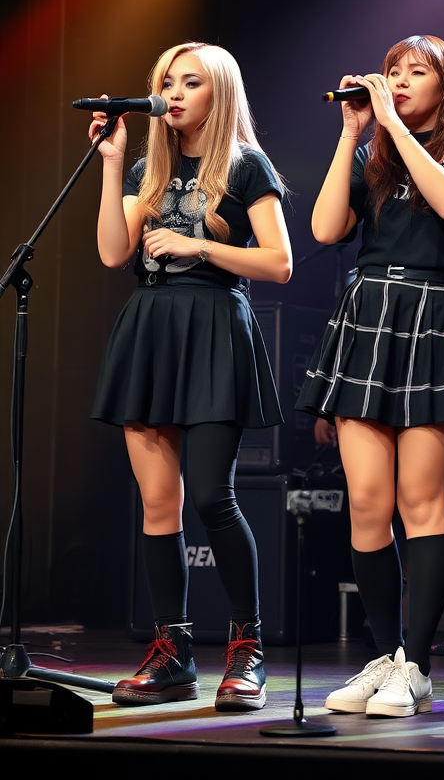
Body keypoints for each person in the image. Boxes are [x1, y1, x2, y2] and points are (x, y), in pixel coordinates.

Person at [294, 35, 444, 718]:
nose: (401, 81)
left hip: (434, 313)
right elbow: (326, 228)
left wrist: (391, 129)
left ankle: (416, 664)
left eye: (417, 73)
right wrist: (355, 133)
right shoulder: (370, 152)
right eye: (393, 71)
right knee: (367, 504)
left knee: (421, 504)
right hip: (370, 311)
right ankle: (383, 657)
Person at [90, 41, 293, 711]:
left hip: (213, 331)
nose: (174, 93)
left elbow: (279, 263)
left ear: (219, 93)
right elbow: (114, 253)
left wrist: (198, 244)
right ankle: (171, 652)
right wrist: (114, 162)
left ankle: (246, 647)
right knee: (157, 504)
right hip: (150, 332)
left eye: (190, 82)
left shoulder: (244, 165)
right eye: (166, 82)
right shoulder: (148, 167)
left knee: (211, 495)